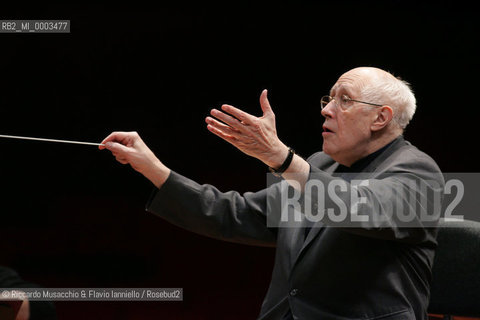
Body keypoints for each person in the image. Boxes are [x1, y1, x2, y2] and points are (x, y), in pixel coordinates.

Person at [100, 67, 444, 319]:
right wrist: (153, 168)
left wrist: (281, 159)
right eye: (328, 98)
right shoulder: (319, 164)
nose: (325, 109)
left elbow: (360, 209)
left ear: (380, 118)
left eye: (345, 100)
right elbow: (237, 215)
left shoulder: (418, 172)